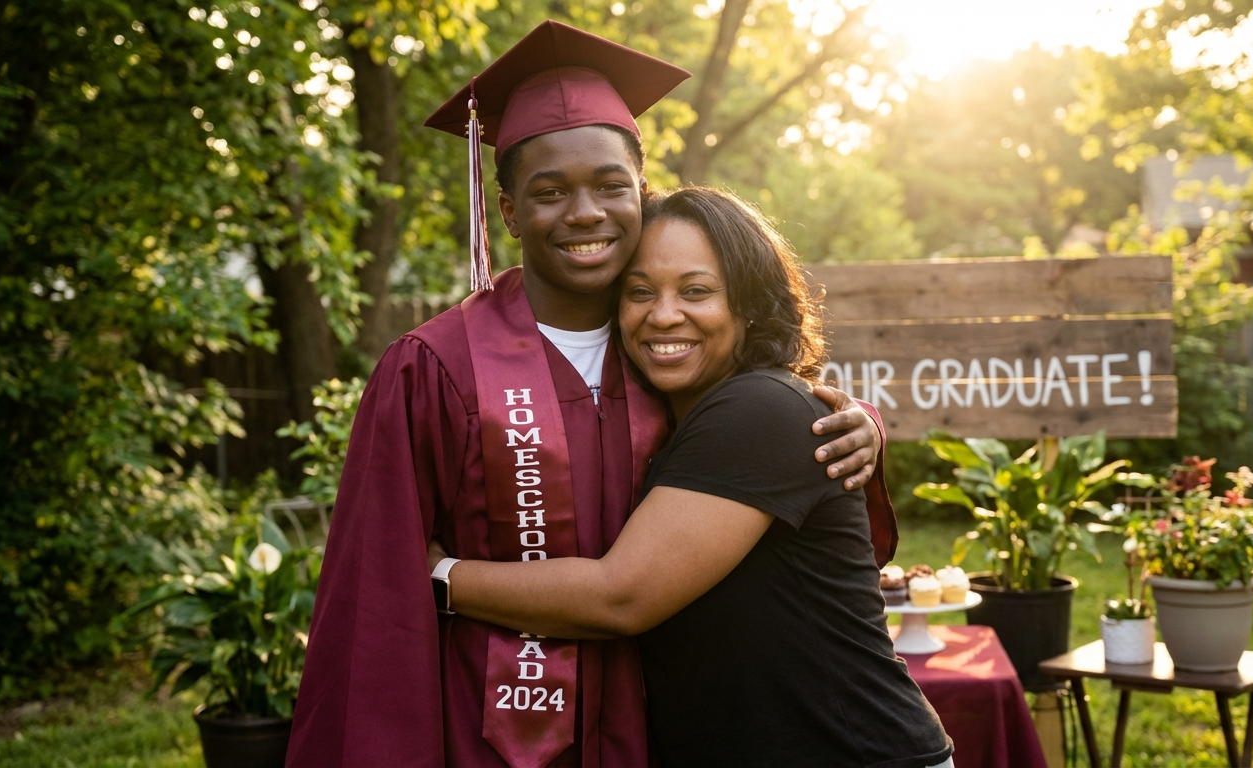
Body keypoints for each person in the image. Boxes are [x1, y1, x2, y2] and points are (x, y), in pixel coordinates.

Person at [286, 22, 891, 768]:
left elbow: (770, 418)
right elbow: (377, 603)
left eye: (610, 186)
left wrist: (858, 419)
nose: (585, 213)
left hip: (651, 731)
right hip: (489, 734)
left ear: (640, 191)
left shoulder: (663, 352)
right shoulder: (433, 371)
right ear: (507, 212)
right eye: (549, 192)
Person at [431, 187, 955, 768]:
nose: (663, 315)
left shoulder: (758, 409)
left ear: (747, 304)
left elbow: (620, 596)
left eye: (697, 291)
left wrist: (438, 574)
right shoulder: (667, 424)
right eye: (639, 293)